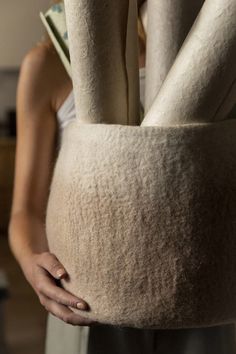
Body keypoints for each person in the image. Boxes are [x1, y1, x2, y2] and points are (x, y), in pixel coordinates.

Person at [8, 0, 236, 353]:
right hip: (88, 300)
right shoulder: (49, 64)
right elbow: (25, 210)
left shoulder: (223, 58)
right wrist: (30, 261)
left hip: (204, 294)